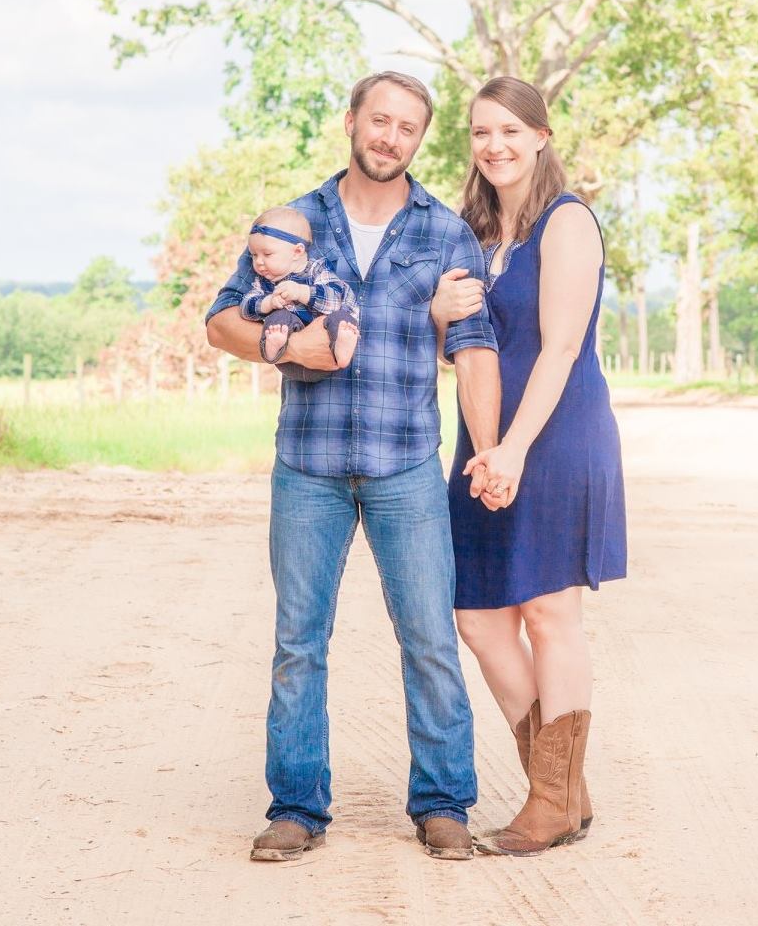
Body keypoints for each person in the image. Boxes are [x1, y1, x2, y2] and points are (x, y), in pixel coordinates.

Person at [205, 72, 501, 862]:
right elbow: (221, 320)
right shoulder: (293, 222)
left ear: (418, 139)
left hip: (407, 463)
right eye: (380, 120)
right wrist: (287, 344)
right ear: (351, 122)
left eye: (408, 127)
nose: (390, 137)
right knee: (299, 640)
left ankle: (443, 802)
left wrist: (495, 448)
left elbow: (474, 349)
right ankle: (296, 807)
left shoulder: (445, 232)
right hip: (310, 465)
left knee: (430, 636)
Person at [431, 76, 627, 856]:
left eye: (510, 130)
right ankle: (566, 790)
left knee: (549, 615)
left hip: (554, 439)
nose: (495, 145)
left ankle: (548, 798)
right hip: (484, 442)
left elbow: (561, 347)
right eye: (481, 132)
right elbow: (461, 341)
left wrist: (514, 448)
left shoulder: (566, 220)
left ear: (541, 135)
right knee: (479, 616)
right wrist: (436, 313)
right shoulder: (472, 233)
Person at [239, 205, 360, 375]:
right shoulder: (264, 282)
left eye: (267, 254)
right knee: (279, 317)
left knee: (342, 318)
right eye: (254, 255)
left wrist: (301, 292)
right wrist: (268, 303)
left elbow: (335, 301)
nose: (258, 262)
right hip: (291, 359)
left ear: (297, 251)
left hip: (327, 353)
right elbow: (245, 308)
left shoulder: (316, 270)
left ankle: (342, 346)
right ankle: (274, 346)